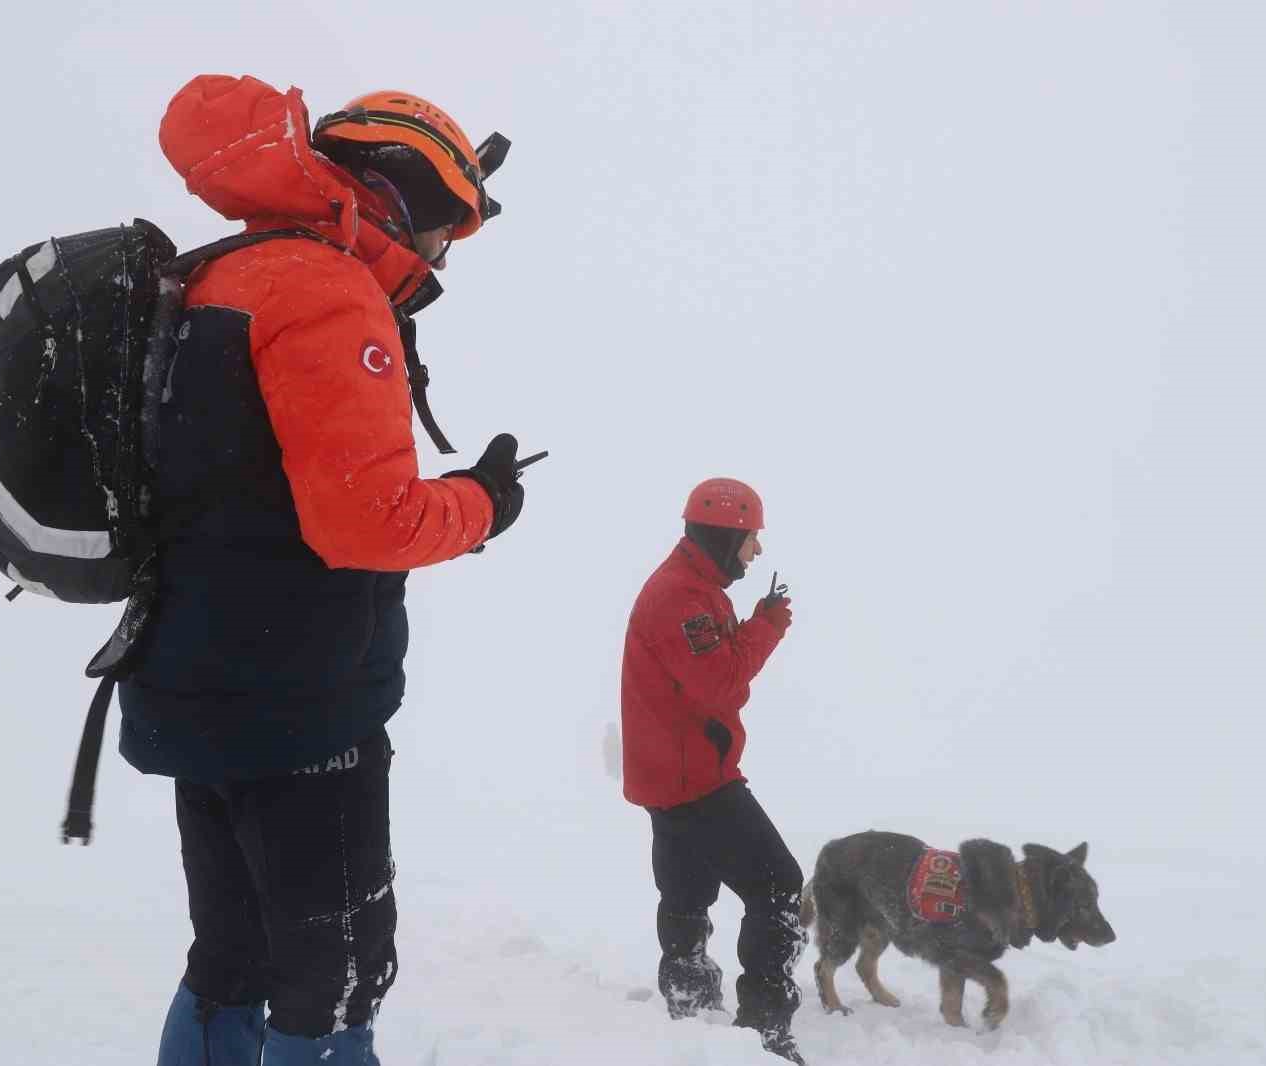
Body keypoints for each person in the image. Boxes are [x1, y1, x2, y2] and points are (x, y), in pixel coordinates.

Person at [122, 74, 523, 1066]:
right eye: (443, 233)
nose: (436, 261)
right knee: (333, 979)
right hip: (302, 712)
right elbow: (368, 524)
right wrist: (484, 506)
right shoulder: (324, 289)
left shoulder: (222, 274)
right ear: (407, 198)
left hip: (195, 686)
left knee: (231, 956)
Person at [621, 478, 807, 1064]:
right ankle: (764, 1030)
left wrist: (749, 627)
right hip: (694, 777)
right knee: (777, 884)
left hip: (670, 771)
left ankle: (689, 1003)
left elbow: (713, 680)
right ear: (727, 536)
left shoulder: (698, 586)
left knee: (687, 888)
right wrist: (768, 627)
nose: (756, 552)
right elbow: (721, 684)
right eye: (752, 539)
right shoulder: (682, 596)